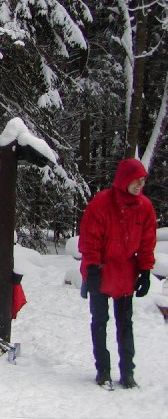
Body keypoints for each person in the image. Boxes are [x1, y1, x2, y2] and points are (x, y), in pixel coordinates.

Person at [78, 158, 156, 389]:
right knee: (100, 321)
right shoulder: (102, 203)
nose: (140, 185)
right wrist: (92, 268)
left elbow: (147, 242)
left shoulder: (145, 207)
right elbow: (90, 238)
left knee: (125, 324)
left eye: (142, 181)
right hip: (100, 270)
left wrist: (145, 270)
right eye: (136, 180)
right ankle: (103, 370)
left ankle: (127, 372)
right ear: (124, 180)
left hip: (125, 274)